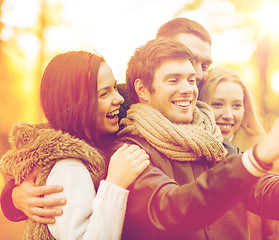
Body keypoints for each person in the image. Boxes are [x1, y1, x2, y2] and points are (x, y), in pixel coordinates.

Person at [107, 37, 279, 240]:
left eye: (192, 79)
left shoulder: (215, 144)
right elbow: (174, 209)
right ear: (142, 89)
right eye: (174, 80)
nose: (188, 89)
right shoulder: (129, 150)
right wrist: (257, 157)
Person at [0, 16, 213, 225]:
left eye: (205, 64)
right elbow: (55, 135)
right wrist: (13, 196)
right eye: (190, 58)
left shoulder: (215, 98)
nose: (200, 73)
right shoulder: (125, 100)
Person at [0, 51, 150, 239]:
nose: (119, 98)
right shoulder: (69, 166)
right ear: (78, 104)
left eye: (114, 87)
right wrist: (114, 184)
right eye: (104, 93)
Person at [199, 67, 279, 239]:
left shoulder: (265, 148)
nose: (228, 115)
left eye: (236, 105)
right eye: (217, 104)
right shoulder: (192, 147)